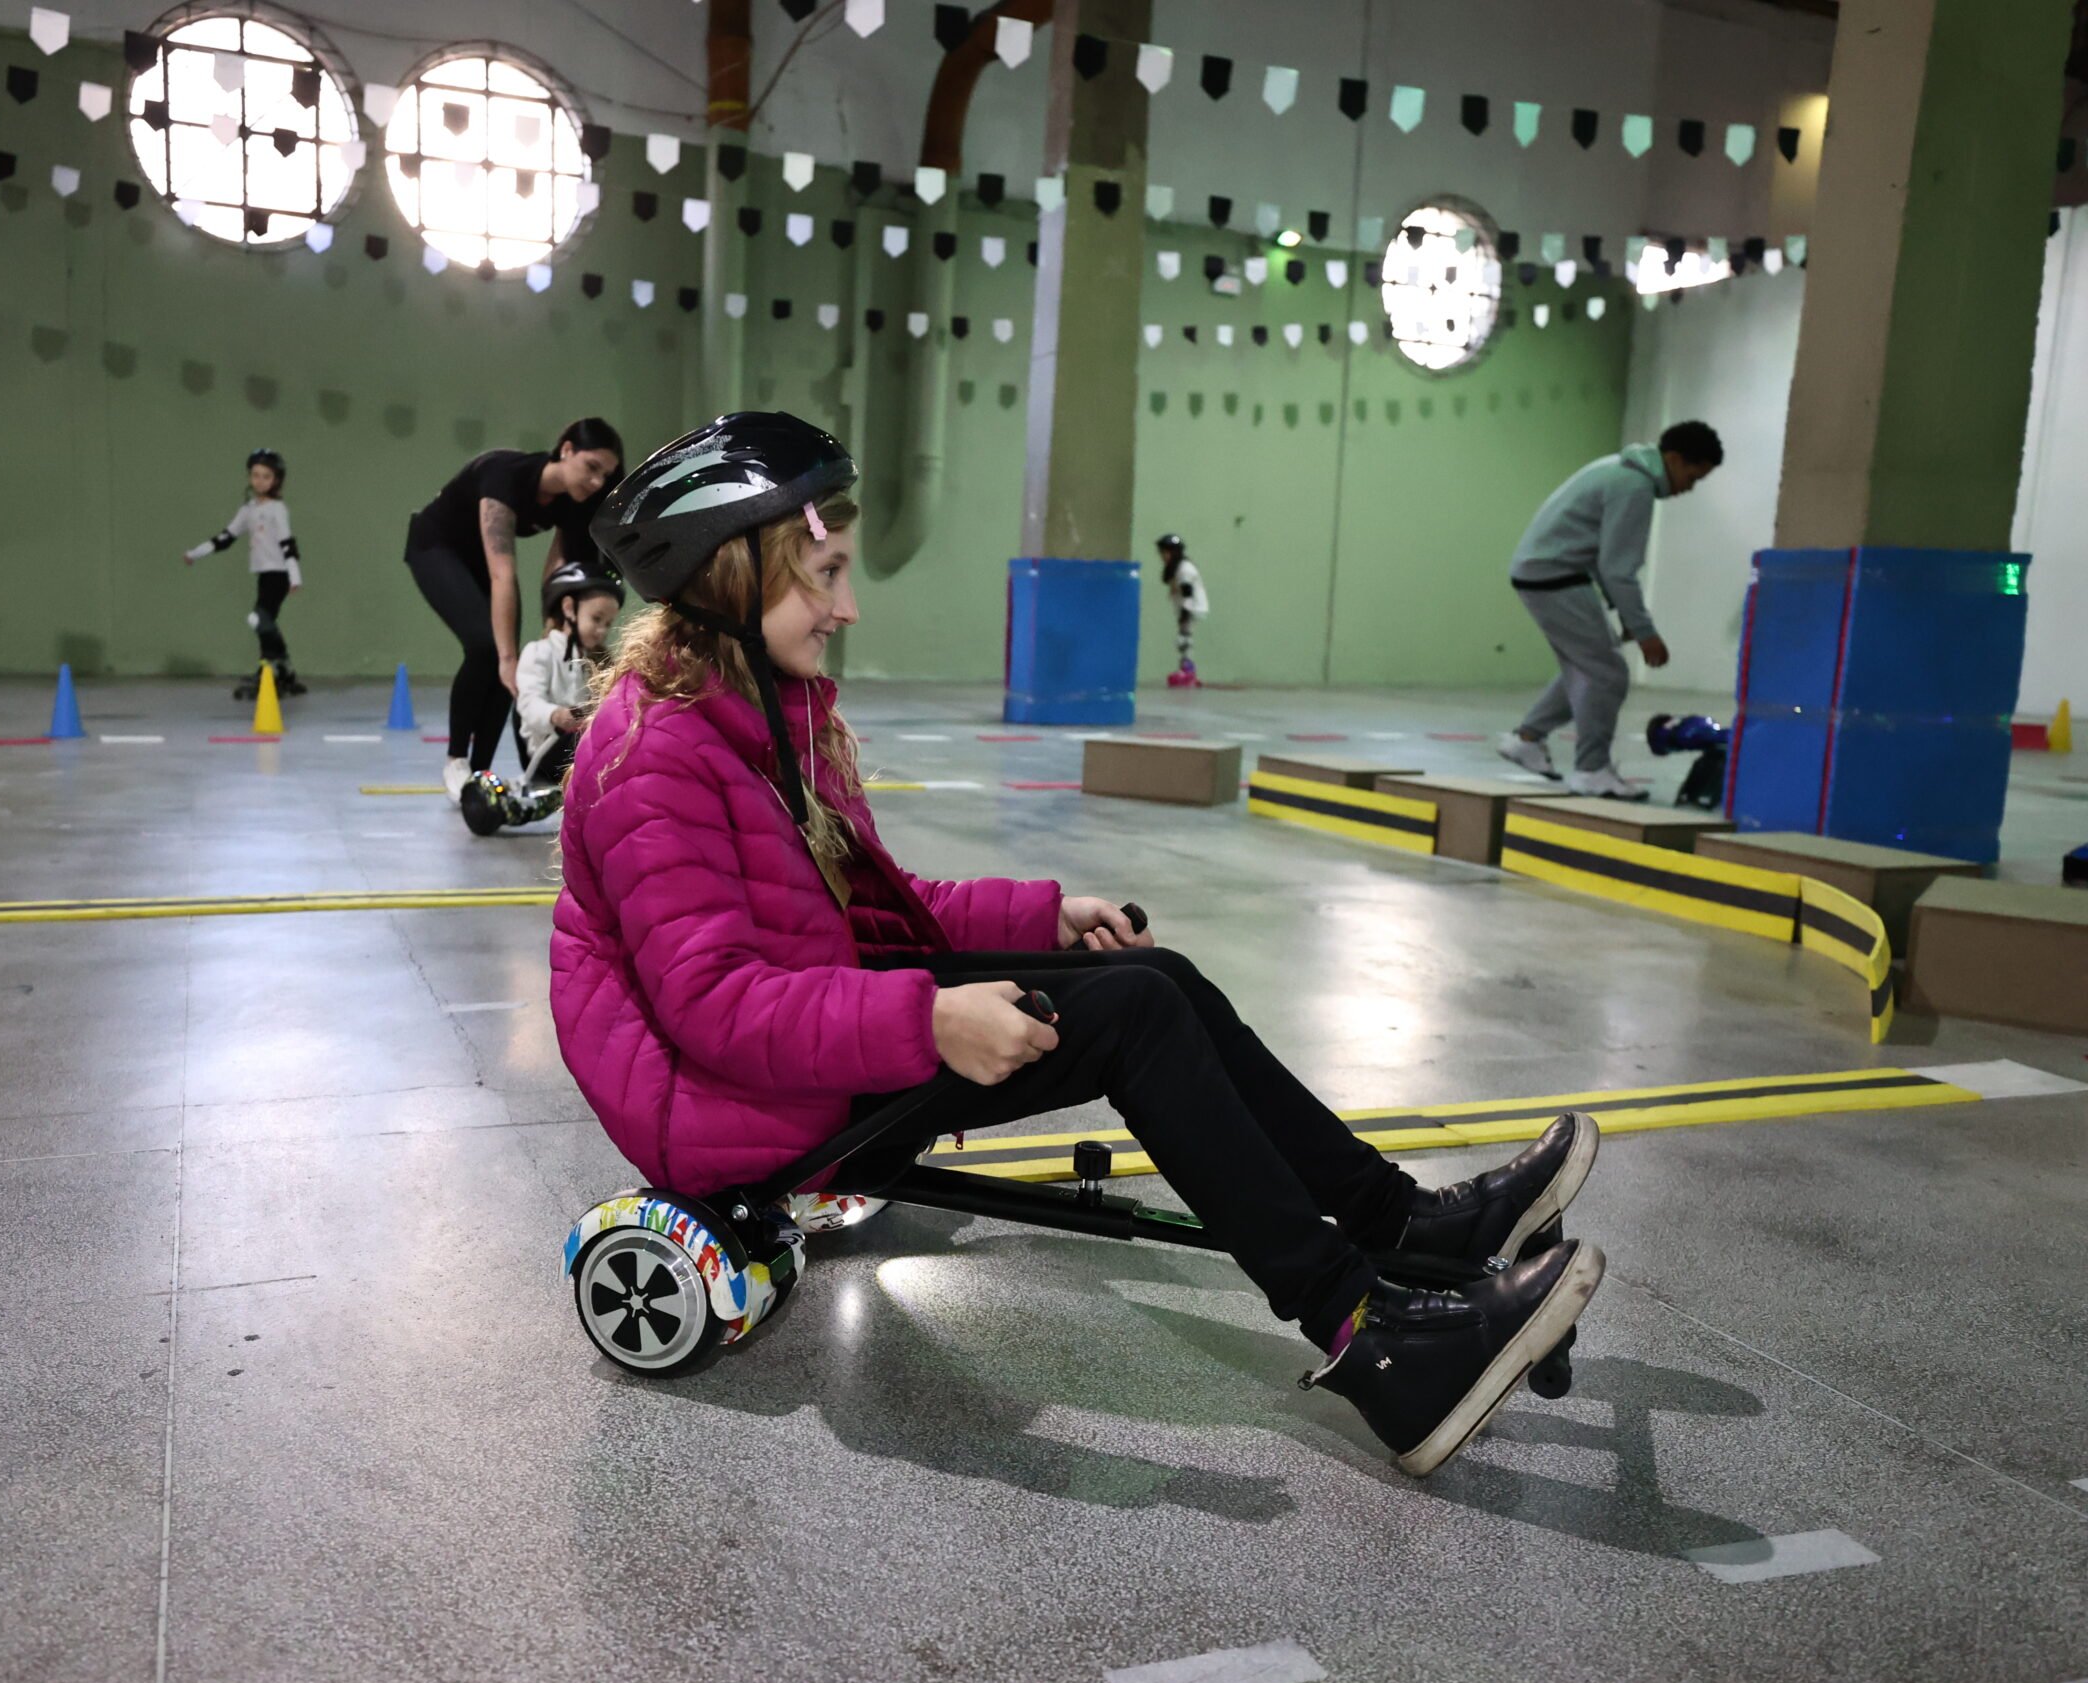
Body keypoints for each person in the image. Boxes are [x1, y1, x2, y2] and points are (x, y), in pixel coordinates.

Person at [551, 413, 1606, 1477]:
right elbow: (714, 1008)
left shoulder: (756, 708)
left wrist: (1042, 916)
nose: (847, 605)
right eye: (821, 574)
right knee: (1136, 1020)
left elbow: (869, 909)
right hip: (732, 1102)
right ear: (733, 576)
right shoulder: (655, 754)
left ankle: (1408, 1226)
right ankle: (1374, 1343)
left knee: (1151, 976)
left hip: (805, 1037)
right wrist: (925, 1021)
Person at [1498, 421, 1722, 800]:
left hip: (1544, 574)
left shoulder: (1617, 469)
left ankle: (1527, 739)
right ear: (1672, 458)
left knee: (1584, 667)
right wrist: (1645, 630)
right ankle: (1591, 771)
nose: (1689, 487)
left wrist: (1625, 613)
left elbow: (1606, 562)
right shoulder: (1634, 487)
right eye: (1692, 475)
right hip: (1555, 576)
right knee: (1607, 674)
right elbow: (1618, 569)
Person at [404, 420, 625, 801]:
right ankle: (456, 760)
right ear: (566, 449)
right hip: (435, 547)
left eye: (604, 476)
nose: (595, 482)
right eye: (591, 467)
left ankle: (480, 773)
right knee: (487, 648)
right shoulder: (503, 474)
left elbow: (561, 571)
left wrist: (551, 635)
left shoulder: (575, 501)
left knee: (517, 667)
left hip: (481, 564)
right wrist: (507, 655)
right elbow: (502, 574)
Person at [182, 449, 305, 698]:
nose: (259, 481)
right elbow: (226, 537)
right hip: (263, 573)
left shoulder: (277, 509)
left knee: (259, 619)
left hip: (279, 574)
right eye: (256, 475)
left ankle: (272, 668)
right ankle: (281, 668)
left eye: (266, 476)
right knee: (264, 623)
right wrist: (196, 553)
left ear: (276, 480)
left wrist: (295, 575)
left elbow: (287, 544)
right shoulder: (248, 509)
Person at [512, 562, 622, 794]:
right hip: (547, 749)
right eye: (596, 618)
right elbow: (528, 703)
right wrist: (556, 715)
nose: (602, 630)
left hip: (579, 744)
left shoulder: (595, 660)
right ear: (569, 608)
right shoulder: (538, 652)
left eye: (608, 624)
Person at [1157, 532, 1209, 688]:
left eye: (1165, 552)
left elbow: (1188, 595)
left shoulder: (1185, 570)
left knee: (1185, 639)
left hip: (1192, 608)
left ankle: (1188, 671)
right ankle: (1187, 669)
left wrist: (1184, 618)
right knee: (1185, 640)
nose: (1162, 556)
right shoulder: (1177, 568)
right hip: (1185, 609)